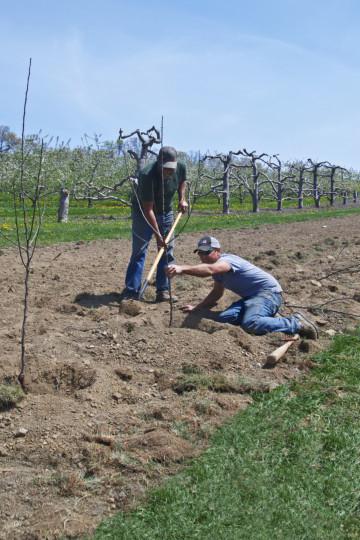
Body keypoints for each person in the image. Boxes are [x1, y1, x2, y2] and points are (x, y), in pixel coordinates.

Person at [166, 235, 318, 339]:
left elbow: (209, 270)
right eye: (200, 253)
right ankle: (268, 317)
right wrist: (196, 308)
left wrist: (182, 269)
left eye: (207, 252)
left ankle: (296, 323)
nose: (203, 256)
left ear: (218, 251)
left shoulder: (227, 261)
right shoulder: (217, 272)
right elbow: (216, 294)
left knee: (251, 324)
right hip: (251, 298)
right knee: (223, 319)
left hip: (268, 294)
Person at [123, 146, 188, 302]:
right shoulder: (146, 175)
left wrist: (182, 199)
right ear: (159, 163)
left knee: (167, 251)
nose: (170, 172)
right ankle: (132, 291)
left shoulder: (180, 167)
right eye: (166, 169)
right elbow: (148, 210)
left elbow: (182, 182)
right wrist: (158, 236)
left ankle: (163, 290)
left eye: (172, 169)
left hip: (166, 212)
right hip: (143, 214)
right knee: (140, 250)